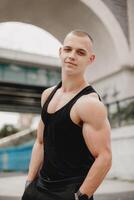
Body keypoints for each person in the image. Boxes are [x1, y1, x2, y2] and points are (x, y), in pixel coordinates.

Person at [21, 30, 112, 200]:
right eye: (68, 49)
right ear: (60, 52)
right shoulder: (48, 95)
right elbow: (40, 142)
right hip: (39, 188)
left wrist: (80, 196)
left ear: (90, 59)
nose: (72, 56)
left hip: (69, 192)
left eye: (80, 52)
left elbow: (104, 157)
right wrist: (29, 184)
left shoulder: (89, 104)